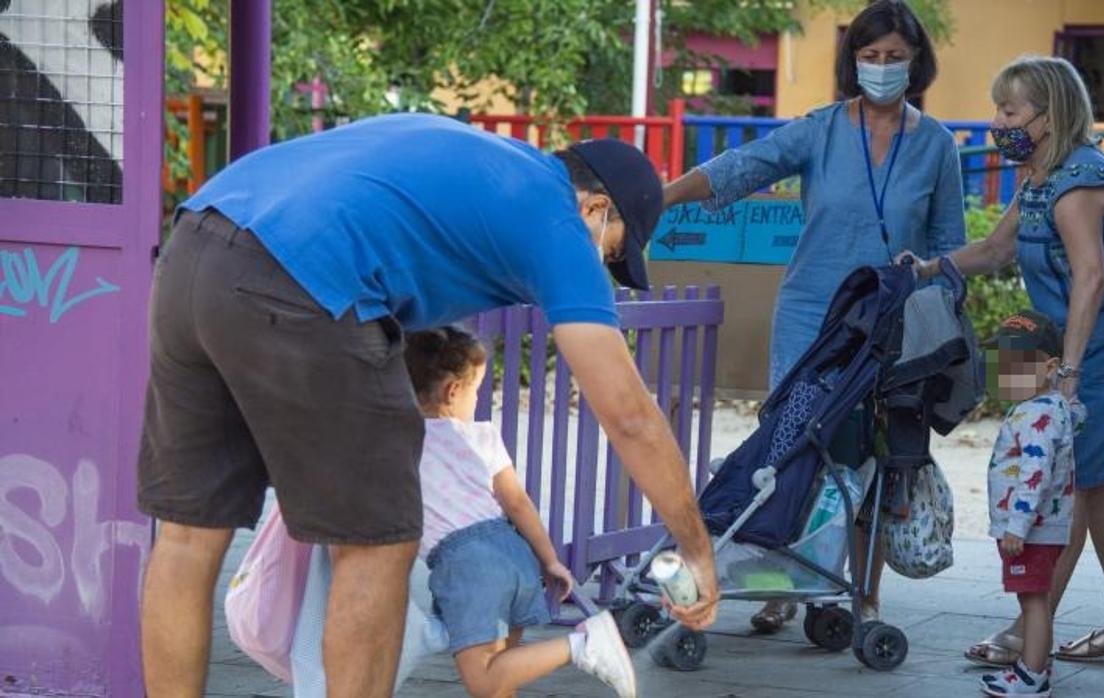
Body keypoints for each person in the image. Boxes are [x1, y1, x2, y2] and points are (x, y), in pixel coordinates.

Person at [137, 114, 718, 698]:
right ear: (595, 210)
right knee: (377, 544)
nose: (603, 274)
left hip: (194, 248)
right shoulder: (558, 220)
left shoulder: (491, 165)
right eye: (612, 256)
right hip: (305, 279)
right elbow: (630, 417)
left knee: (188, 536)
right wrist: (696, 547)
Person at [662, 0, 965, 632]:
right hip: (810, 320)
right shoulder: (823, 128)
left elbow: (949, 243)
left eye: (895, 58)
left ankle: (862, 593)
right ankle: (779, 585)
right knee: (793, 451)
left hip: (892, 326)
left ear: (918, 63)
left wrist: (938, 301)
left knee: (873, 459)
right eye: (870, 56)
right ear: (853, 62)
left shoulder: (936, 145)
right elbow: (743, 167)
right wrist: (657, 198)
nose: (881, 68)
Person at [903, 55, 1104, 667]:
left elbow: (1090, 276)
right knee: (1096, 487)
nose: (997, 121)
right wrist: (927, 269)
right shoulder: (1038, 176)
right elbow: (997, 248)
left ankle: (1026, 629)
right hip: (1095, 346)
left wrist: (1070, 372)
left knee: (1070, 482)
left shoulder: (1080, 181)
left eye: (1009, 111)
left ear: (1048, 115)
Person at [404, 327, 635, 698]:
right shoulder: (482, 435)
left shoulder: (403, 438)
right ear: (452, 391)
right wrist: (550, 561)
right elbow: (517, 502)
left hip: (467, 564)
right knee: (501, 676)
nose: (477, 400)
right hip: (512, 550)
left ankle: (582, 645)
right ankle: (581, 645)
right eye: (477, 389)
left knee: (482, 678)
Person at [979, 311, 1085, 697]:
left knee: (1033, 599)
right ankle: (1037, 664)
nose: (1005, 375)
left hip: (1031, 529)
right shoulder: (1053, 406)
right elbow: (1076, 419)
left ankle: (1032, 675)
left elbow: (1034, 474)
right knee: (1034, 596)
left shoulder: (1035, 414)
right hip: (1043, 527)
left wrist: (1016, 527)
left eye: (1016, 366)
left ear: (1049, 366)